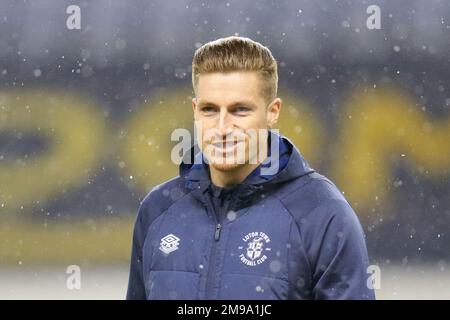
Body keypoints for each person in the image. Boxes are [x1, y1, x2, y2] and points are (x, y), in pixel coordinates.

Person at [126, 36, 375, 300]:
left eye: (240, 110)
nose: (222, 128)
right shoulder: (158, 210)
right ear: (195, 110)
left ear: (273, 112)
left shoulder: (322, 214)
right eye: (210, 109)